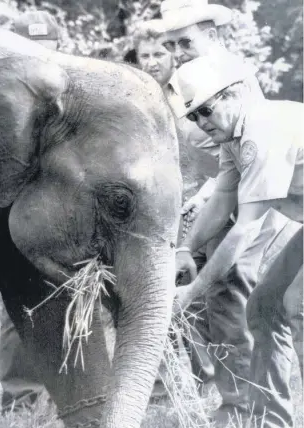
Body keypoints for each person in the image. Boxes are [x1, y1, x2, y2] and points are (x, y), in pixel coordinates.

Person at [173, 54, 303, 428]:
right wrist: (185, 249)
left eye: (206, 110)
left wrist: (194, 290)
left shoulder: (262, 131)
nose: (201, 122)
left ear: (234, 96)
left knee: (297, 305)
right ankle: (271, 422)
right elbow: (220, 203)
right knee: (263, 307)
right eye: (193, 116)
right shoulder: (234, 136)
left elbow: (244, 230)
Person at [160, 0, 265, 422]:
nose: (178, 51)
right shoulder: (185, 82)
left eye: (186, 41)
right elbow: (223, 165)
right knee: (206, 306)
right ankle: (227, 396)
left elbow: (244, 167)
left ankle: (244, 405)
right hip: (208, 203)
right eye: (171, 44)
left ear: (215, 35)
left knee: (229, 299)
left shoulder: (237, 80)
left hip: (249, 205)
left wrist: (206, 199)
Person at [0, 10, 63, 414]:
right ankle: (22, 400)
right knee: (20, 301)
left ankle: (66, 398)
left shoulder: (75, 91)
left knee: (68, 304)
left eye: (47, 50)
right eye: (30, 50)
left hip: (63, 210)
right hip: (13, 208)